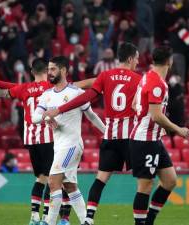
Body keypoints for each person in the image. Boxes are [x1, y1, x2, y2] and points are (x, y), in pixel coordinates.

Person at [0, 58, 96, 225]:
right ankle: (58, 218)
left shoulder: (24, 88)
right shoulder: (52, 87)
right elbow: (78, 85)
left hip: (31, 139)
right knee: (60, 179)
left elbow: (1, 92)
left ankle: (35, 217)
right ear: (47, 71)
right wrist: (100, 81)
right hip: (51, 138)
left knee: (42, 178)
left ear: (31, 72)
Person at [43, 42, 141, 225]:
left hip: (110, 137)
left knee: (100, 180)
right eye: (136, 58)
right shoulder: (138, 79)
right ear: (130, 59)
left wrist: (62, 105)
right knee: (143, 183)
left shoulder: (105, 75)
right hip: (130, 137)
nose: (137, 61)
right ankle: (139, 221)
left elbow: (88, 94)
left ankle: (87, 219)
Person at [31, 56, 105, 225]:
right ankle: (87, 221)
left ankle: (48, 222)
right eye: (48, 69)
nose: (49, 73)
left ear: (63, 70)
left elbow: (92, 117)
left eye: (53, 69)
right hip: (59, 146)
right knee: (70, 186)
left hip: (72, 145)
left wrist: (107, 132)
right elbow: (34, 117)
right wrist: (47, 117)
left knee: (52, 181)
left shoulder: (75, 93)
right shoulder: (47, 95)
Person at [129, 46, 189, 225]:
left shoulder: (147, 76)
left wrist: (149, 120)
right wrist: (177, 129)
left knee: (170, 181)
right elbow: (156, 115)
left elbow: (134, 104)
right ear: (169, 61)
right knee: (145, 186)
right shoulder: (157, 84)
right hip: (144, 141)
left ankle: (149, 221)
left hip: (153, 139)